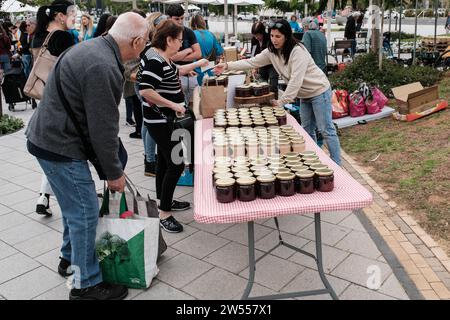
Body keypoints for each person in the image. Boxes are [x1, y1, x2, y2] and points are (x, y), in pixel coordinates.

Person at [26, 12, 149, 300]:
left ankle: (69, 259)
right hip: (58, 145)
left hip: (47, 138)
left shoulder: (90, 48)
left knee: (74, 208)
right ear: (138, 41)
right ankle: (86, 285)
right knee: (84, 213)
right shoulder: (103, 66)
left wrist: (111, 165)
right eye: (146, 42)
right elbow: (102, 130)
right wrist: (114, 174)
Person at [214, 20, 341, 165]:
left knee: (326, 129)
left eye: (278, 36)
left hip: (319, 91)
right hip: (304, 95)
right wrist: (226, 66)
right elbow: (252, 62)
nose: (274, 39)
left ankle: (337, 164)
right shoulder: (271, 52)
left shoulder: (298, 51)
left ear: (286, 36)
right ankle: (311, 160)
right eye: (272, 35)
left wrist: (280, 102)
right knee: (306, 130)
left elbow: (295, 81)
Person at [137, 20, 208, 233]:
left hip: (163, 119)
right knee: (176, 163)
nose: (181, 44)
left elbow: (177, 70)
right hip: (162, 120)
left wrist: (201, 63)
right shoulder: (156, 61)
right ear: (168, 40)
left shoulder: (161, 56)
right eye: (179, 40)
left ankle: (163, 201)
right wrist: (173, 104)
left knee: (164, 162)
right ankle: (164, 213)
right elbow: (145, 90)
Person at [31, 0, 76, 217]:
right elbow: (72, 68)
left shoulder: (38, 35)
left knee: (51, 150)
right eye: (72, 12)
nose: (75, 16)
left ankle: (43, 195)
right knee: (58, 151)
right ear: (59, 16)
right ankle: (51, 194)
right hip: (61, 99)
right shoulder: (63, 37)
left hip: (43, 95)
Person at [166, 4, 202, 105]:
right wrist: (188, 50)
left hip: (190, 73)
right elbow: (170, 57)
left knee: (193, 104)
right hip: (174, 75)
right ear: (169, 18)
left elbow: (198, 53)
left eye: (182, 18)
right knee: (179, 104)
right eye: (177, 19)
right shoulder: (166, 33)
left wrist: (178, 56)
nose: (180, 21)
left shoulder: (188, 32)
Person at [190, 14, 223, 85]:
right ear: (203, 22)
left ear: (193, 24)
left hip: (195, 70)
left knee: (197, 93)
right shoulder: (211, 34)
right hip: (210, 69)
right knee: (209, 92)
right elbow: (219, 51)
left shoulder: (191, 34)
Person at [250, 22, 278, 94]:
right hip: (261, 65)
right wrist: (254, 67)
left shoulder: (269, 38)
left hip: (272, 65)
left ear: (262, 32)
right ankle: (262, 103)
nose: (256, 37)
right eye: (254, 35)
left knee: (273, 86)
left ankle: (275, 102)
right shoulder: (254, 40)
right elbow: (253, 54)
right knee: (261, 85)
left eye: (257, 35)